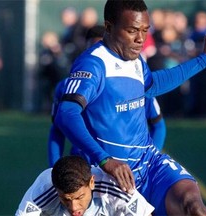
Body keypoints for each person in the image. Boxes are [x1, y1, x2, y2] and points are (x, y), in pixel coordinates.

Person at [54, 0, 206, 215]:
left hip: (149, 164)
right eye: (132, 30)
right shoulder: (93, 64)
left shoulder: (135, 59)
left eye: (145, 30)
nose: (140, 38)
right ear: (109, 27)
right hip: (110, 176)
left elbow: (152, 84)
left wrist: (204, 59)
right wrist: (104, 159)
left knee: (192, 205)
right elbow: (66, 113)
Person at [48, 24, 166, 167]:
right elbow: (58, 128)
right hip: (84, 168)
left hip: (125, 170)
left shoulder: (136, 84)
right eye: (95, 48)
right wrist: (54, 168)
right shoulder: (66, 87)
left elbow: (158, 125)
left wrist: (147, 163)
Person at [16, 155, 154, 216]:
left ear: (92, 182)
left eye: (79, 197)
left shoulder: (114, 186)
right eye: (66, 199)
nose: (74, 207)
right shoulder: (43, 189)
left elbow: (145, 214)